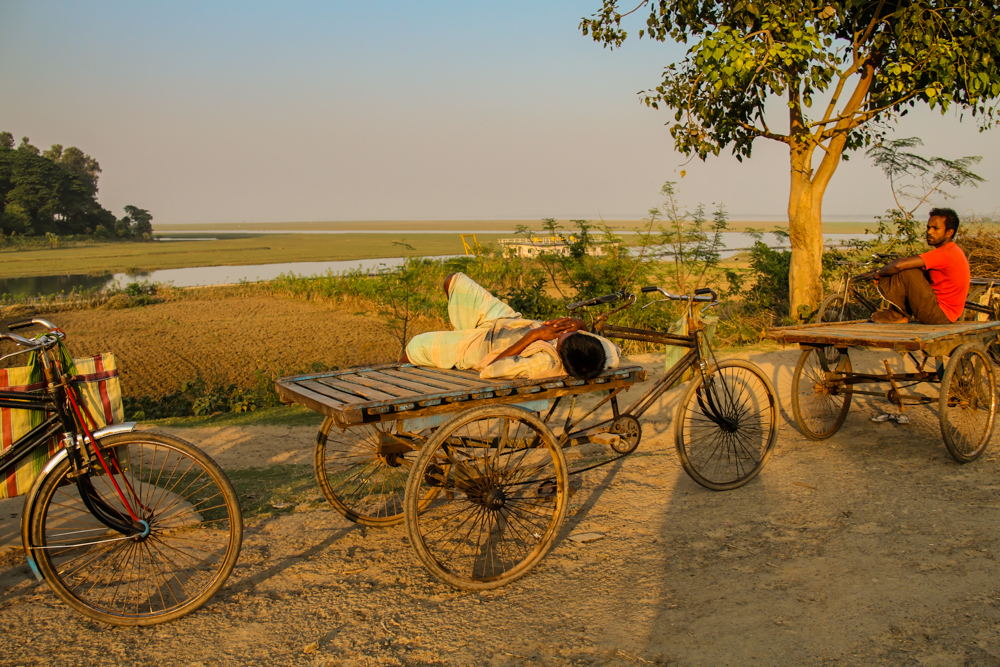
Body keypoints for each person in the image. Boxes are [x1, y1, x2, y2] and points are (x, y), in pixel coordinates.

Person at [400, 272, 620, 380]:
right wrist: (578, 324)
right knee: (454, 280)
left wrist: (533, 336)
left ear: (560, 352)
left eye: (564, 336)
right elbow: (609, 348)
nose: (565, 332)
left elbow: (489, 370)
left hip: (483, 345)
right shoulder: (600, 353)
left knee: (416, 345)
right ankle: (460, 336)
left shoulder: (542, 363)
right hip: (507, 320)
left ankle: (395, 381)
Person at [868, 207, 970, 324]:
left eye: (935, 228)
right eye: (928, 227)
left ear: (949, 232)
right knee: (913, 268)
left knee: (906, 270)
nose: (929, 232)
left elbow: (899, 265)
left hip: (939, 315)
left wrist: (879, 273)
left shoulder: (945, 253)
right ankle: (898, 314)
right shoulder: (953, 250)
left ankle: (895, 314)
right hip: (944, 314)